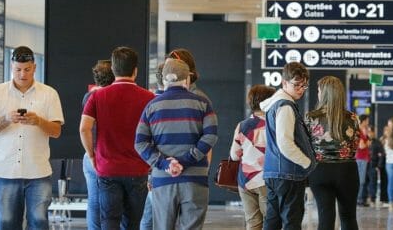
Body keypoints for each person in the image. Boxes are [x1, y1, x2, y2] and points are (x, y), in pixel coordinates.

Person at [0, 46, 64, 230]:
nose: (22, 74)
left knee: (39, 222)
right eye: (18, 69)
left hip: (38, 171)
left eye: (27, 69)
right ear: (11, 66)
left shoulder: (49, 94)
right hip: (6, 171)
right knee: (7, 223)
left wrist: (38, 121)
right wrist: (6, 119)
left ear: (34, 67)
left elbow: (56, 131)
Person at [135, 58, 218, 230]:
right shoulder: (203, 104)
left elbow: (140, 143)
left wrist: (165, 163)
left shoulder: (152, 106)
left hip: (163, 180)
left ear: (164, 80)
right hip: (195, 181)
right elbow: (211, 136)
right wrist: (186, 160)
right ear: (187, 79)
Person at [80, 47, 154, 230]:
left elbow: (84, 129)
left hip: (108, 169)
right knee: (133, 224)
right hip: (138, 169)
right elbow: (157, 132)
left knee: (109, 222)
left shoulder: (97, 96)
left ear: (113, 69)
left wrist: (92, 155)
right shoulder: (149, 98)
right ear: (135, 70)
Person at [260, 61, 316, 230]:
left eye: (304, 85)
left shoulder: (274, 105)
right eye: (296, 84)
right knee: (291, 221)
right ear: (284, 83)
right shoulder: (285, 106)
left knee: (272, 220)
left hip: (272, 171)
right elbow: (285, 143)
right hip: (288, 173)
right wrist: (307, 163)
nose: (300, 89)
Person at [306, 76, 360, 230]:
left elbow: (307, 145)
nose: (317, 93)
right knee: (348, 217)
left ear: (324, 93)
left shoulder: (311, 117)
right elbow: (355, 144)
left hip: (320, 170)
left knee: (325, 217)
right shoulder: (353, 118)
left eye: (318, 90)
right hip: (347, 170)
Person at [229, 85, 275, 230]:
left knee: (253, 223)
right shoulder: (275, 125)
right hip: (266, 180)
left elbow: (234, 156)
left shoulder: (242, 126)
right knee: (271, 222)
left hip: (245, 181)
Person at [80, 60, 115, 230]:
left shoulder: (89, 97)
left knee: (94, 201)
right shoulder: (111, 98)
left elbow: (85, 129)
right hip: (107, 155)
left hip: (90, 154)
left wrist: (90, 154)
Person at [140, 62, 164, 230]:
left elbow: (144, 141)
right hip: (169, 169)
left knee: (149, 217)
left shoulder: (150, 103)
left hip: (154, 168)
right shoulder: (153, 103)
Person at [355, 115, 371, 207]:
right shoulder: (359, 131)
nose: (368, 123)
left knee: (362, 180)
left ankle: (360, 198)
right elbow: (361, 146)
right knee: (361, 180)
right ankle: (359, 199)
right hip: (360, 158)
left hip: (363, 157)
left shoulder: (363, 131)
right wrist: (368, 143)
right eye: (367, 121)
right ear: (363, 121)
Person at [367, 124, 385, 206]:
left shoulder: (378, 143)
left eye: (371, 132)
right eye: (369, 132)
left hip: (373, 165)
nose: (370, 133)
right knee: (363, 182)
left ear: (374, 133)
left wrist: (379, 166)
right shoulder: (364, 141)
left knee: (372, 183)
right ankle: (363, 198)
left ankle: (372, 199)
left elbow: (381, 155)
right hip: (365, 164)